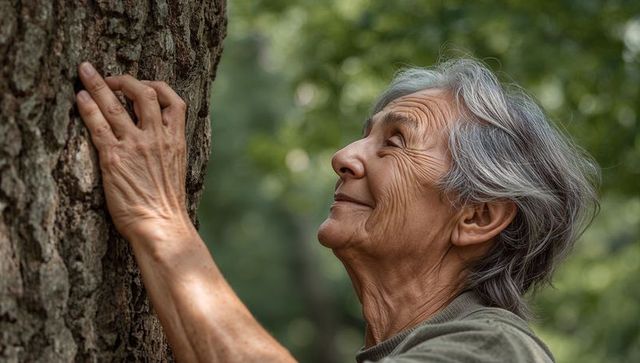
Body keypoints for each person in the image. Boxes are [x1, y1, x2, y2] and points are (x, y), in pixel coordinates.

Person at [75, 58, 599, 362]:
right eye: (365, 134)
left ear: (478, 217)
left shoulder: (494, 350)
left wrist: (160, 219)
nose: (344, 157)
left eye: (394, 142)